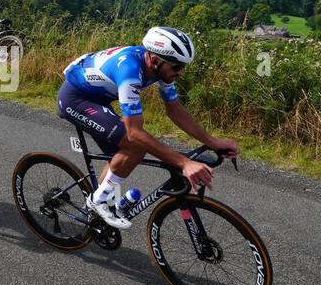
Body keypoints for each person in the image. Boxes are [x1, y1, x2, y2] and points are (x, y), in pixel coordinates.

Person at [57, 27, 238, 230]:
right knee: (135, 146)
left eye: (183, 66)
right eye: (177, 66)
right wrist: (184, 163)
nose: (181, 72)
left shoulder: (160, 68)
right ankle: (97, 202)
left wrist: (212, 142)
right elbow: (135, 133)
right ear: (154, 60)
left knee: (121, 154)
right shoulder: (130, 71)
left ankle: (98, 210)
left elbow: (175, 111)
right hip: (75, 99)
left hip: (99, 99)